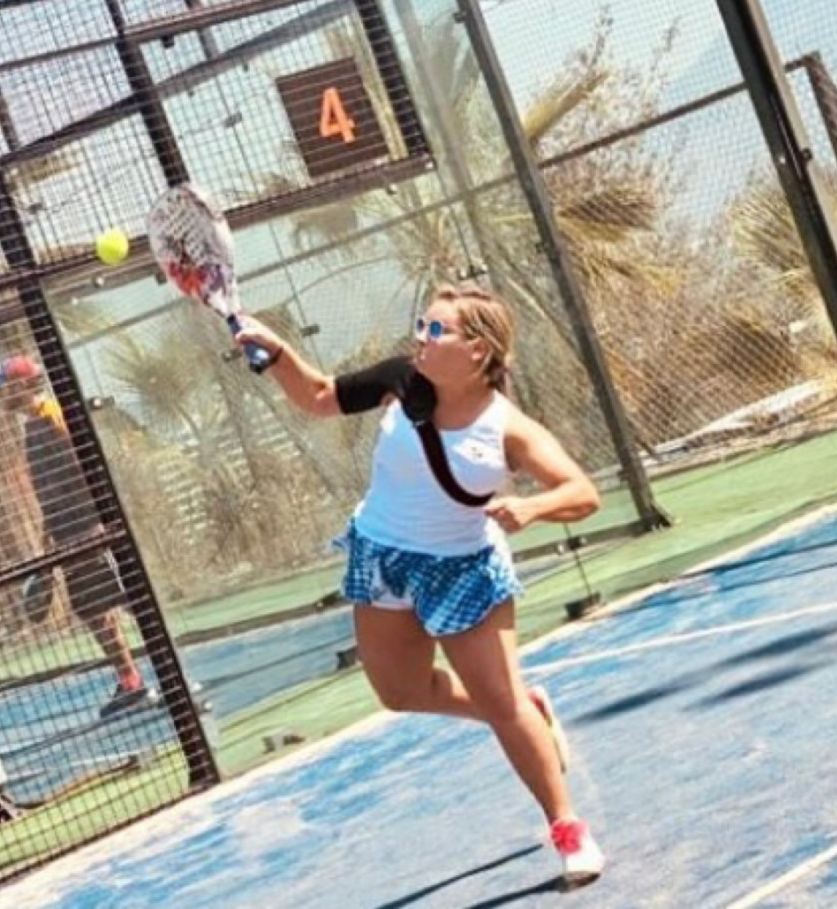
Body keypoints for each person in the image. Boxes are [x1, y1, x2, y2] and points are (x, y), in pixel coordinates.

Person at [236, 283, 608, 890]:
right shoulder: (400, 380)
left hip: (461, 568)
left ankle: (568, 828)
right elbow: (321, 396)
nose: (421, 338)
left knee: (502, 703)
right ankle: (526, 712)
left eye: (437, 330)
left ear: (478, 350)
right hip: (382, 556)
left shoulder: (507, 428)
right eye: (421, 325)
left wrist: (532, 508)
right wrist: (277, 353)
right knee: (401, 692)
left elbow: (582, 492)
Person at [0, 354, 157, 719]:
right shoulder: (32, 425)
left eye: (3, 387)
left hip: (89, 530)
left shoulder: (53, 416)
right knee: (93, 610)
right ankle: (130, 682)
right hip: (67, 534)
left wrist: (95, 528)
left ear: (21, 386)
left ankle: (172, 673)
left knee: (132, 598)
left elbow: (84, 468)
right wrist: (50, 537)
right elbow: (49, 487)